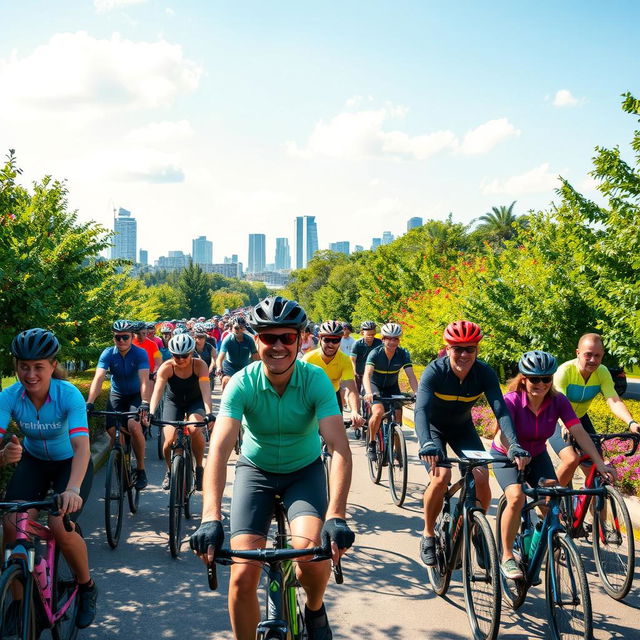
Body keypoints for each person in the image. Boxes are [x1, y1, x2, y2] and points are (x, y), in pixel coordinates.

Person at [190, 296, 354, 640]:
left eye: (287, 337)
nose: (278, 345)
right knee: (242, 575)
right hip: (256, 472)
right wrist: (210, 517)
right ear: (256, 340)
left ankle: (314, 608)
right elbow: (219, 451)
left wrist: (336, 515)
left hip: (303, 472)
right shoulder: (242, 383)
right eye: (268, 337)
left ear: (301, 339)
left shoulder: (316, 380)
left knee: (311, 557)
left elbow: (339, 447)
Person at [0, 328, 98, 627]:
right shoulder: (9, 396)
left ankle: (86, 587)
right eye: (23, 366)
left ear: (52, 366)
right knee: (10, 524)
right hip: (34, 462)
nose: (30, 375)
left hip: (70, 462)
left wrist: (72, 489)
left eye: (38, 367)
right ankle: (19, 601)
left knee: (59, 523)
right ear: (15, 366)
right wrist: (3, 457)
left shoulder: (67, 394)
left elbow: (82, 447)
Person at [490, 351, 616, 579]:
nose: (541, 384)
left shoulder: (558, 401)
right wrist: (514, 450)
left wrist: (600, 463)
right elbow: (504, 434)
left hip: (537, 455)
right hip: (506, 455)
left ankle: (535, 544)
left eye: (546, 379)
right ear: (524, 378)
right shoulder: (512, 401)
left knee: (551, 506)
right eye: (534, 379)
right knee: (517, 498)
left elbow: (579, 431)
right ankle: (507, 556)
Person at [413, 320, 528, 566]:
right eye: (458, 349)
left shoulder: (484, 372)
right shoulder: (435, 371)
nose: (464, 354)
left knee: (481, 475)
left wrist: (514, 444)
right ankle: (428, 534)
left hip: (462, 429)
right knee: (441, 477)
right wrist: (426, 443)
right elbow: (420, 410)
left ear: (477, 350)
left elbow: (502, 411)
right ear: (447, 348)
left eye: (470, 349)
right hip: (434, 431)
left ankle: (477, 529)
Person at [549, 333, 640, 485]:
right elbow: (558, 404)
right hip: (557, 419)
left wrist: (631, 422)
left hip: (580, 418)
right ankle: (550, 500)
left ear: (602, 355)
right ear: (578, 353)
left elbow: (614, 400)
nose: (593, 360)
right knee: (571, 459)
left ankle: (595, 505)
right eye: (588, 355)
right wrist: (565, 424)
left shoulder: (602, 372)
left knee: (598, 471)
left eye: (597, 355)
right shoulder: (564, 371)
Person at [86, 319, 151, 490]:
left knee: (134, 426)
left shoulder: (140, 353)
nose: (121, 341)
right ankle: (121, 463)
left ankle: (141, 469)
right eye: (117, 338)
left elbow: (144, 380)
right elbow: (98, 378)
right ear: (113, 338)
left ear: (132, 337)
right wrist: (90, 402)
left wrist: (145, 402)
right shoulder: (108, 353)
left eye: (125, 337)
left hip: (135, 396)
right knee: (112, 431)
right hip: (117, 395)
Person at [149, 333, 215, 491]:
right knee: (168, 441)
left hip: (195, 402)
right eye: (176, 356)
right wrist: (151, 412)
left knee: (194, 429)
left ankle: (199, 468)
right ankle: (170, 470)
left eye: (184, 356)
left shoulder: (200, 366)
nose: (180, 360)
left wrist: (209, 413)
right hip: (174, 403)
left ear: (191, 353)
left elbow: (206, 391)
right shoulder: (166, 367)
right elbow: (157, 392)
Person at [362, 323, 419, 460]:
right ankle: (371, 443)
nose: (393, 342)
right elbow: (367, 375)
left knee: (398, 416)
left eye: (396, 339)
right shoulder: (375, 353)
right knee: (378, 413)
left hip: (392, 387)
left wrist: (417, 393)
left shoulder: (403, 353)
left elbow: (410, 375)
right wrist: (368, 392)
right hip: (374, 386)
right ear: (383, 339)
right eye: (389, 338)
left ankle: (397, 450)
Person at [302, 321, 364, 429]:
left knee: (336, 435)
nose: (331, 344)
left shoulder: (345, 360)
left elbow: (352, 390)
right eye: (327, 339)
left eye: (335, 340)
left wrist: (355, 411)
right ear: (320, 338)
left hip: (332, 397)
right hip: (310, 397)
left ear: (340, 340)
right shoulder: (308, 359)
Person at [216, 317, 259, 391]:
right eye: (236, 328)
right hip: (230, 365)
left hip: (244, 365)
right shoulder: (228, 339)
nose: (238, 330)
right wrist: (219, 367)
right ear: (231, 328)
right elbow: (220, 357)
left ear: (244, 328)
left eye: (241, 327)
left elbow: (256, 358)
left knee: (248, 386)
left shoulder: (249, 340)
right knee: (226, 381)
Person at [350, 320, 382, 393]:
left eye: (373, 334)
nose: (371, 337)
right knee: (358, 393)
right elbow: (352, 360)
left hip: (373, 373)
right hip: (360, 372)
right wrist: (355, 373)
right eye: (368, 335)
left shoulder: (379, 343)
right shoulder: (357, 344)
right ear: (362, 333)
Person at [193, 323, 217, 391]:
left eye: (202, 337)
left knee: (207, 389)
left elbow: (214, 358)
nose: (199, 339)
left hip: (208, 369)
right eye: (197, 337)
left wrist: (211, 368)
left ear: (205, 337)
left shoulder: (210, 347)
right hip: (194, 369)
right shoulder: (190, 348)